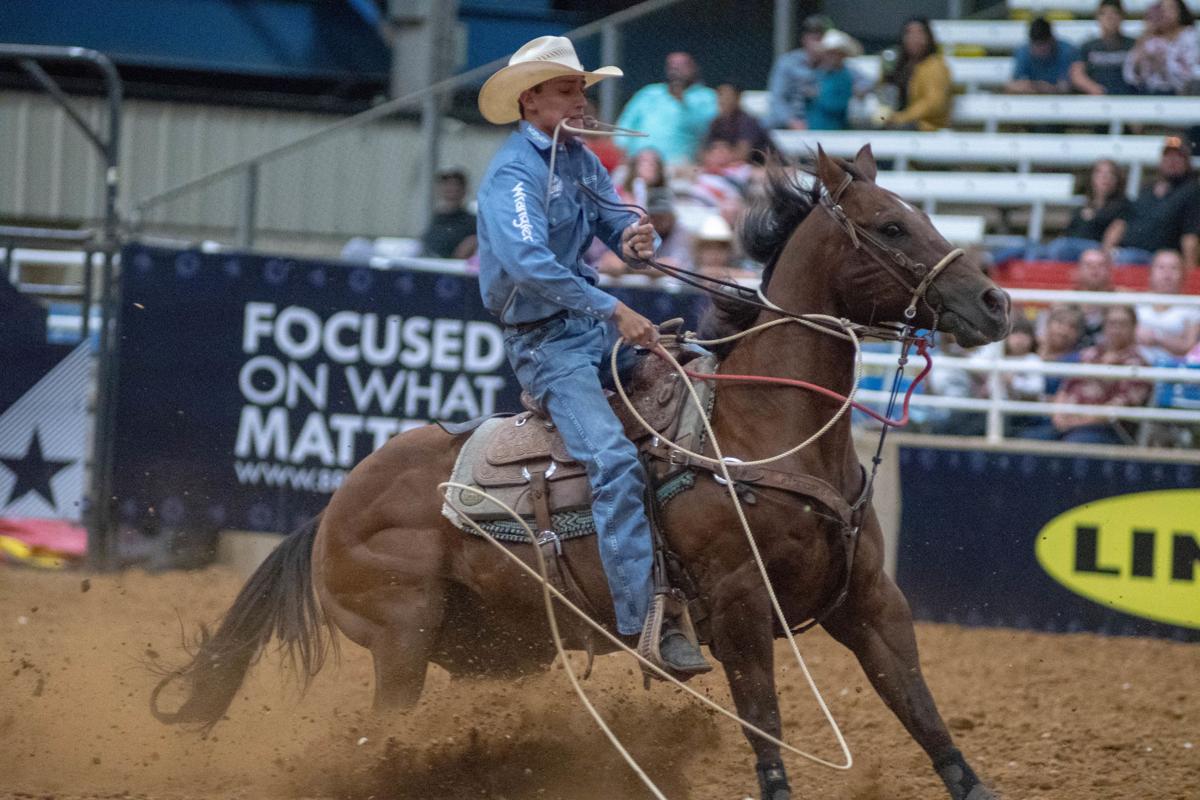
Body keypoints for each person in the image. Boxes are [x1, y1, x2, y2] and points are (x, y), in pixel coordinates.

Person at [473, 35, 709, 673]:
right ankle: (643, 622)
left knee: (703, 389)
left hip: (589, 328)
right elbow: (527, 263)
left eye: (583, 89)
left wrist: (636, 237)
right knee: (612, 461)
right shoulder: (512, 175)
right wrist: (614, 308)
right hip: (548, 345)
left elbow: (615, 221)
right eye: (569, 89)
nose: (582, 100)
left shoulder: (577, 159)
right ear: (531, 101)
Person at [1021, 305, 1152, 445]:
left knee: (1074, 443)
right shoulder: (1089, 355)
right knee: (1029, 439)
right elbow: (1065, 389)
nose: (1116, 329)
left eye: (1122, 324)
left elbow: (1118, 408)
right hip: (1067, 422)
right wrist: (1058, 415)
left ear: (1134, 327)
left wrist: (1078, 422)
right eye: (1112, 323)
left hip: (1106, 429)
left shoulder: (1138, 364)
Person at [1101, 135, 1200, 268]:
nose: (1172, 161)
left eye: (1178, 157)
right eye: (1168, 156)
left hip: (1158, 259)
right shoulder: (1147, 190)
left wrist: (1191, 274)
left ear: (1186, 161)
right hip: (1127, 252)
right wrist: (1105, 251)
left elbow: (1190, 236)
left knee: (1125, 258)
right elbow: (1122, 221)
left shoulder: (1191, 192)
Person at [615, 51, 718, 167]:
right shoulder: (649, 92)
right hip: (638, 162)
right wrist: (622, 149)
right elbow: (625, 123)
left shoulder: (707, 96)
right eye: (672, 66)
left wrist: (683, 103)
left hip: (677, 165)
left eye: (681, 66)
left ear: (694, 68)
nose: (676, 70)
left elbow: (705, 130)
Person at [885, 16, 953, 131]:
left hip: (927, 126)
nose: (914, 38)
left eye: (920, 33)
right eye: (909, 33)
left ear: (929, 38)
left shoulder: (935, 66)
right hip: (901, 122)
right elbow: (887, 93)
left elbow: (934, 103)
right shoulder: (901, 65)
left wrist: (903, 117)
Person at [1135, 249, 1200, 360]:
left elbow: (1189, 346)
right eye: (1161, 267)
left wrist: (1157, 337)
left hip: (1174, 369)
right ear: (1150, 274)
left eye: (1174, 268)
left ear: (1183, 276)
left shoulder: (1192, 307)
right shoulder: (1134, 302)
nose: (1167, 273)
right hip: (1135, 366)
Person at [1123, 0, 1198, 95]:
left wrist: (1164, 65)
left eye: (1170, 8)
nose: (1165, 13)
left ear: (1180, 11)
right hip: (1149, 94)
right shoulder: (1151, 38)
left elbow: (1191, 72)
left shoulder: (1190, 36)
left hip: (1182, 94)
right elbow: (1130, 75)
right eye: (1162, 9)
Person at [1070, 0, 1136, 96]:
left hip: (1129, 99)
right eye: (1104, 14)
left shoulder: (1133, 45)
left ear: (1122, 16)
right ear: (1097, 17)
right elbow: (1077, 74)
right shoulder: (1088, 46)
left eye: (1115, 13)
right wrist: (1093, 88)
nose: (1110, 18)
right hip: (1097, 101)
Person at [703, 83, 774, 165]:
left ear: (737, 98)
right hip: (730, 167)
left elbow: (743, 154)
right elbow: (703, 150)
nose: (723, 100)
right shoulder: (717, 123)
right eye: (720, 96)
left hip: (761, 167)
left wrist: (720, 158)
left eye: (727, 97)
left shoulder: (747, 121)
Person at [1006, 17, 1078, 94]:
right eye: (1037, 45)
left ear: (1052, 40)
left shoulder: (1066, 51)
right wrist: (1035, 86)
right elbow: (1012, 85)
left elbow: (1068, 86)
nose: (1040, 50)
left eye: (1043, 45)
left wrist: (1051, 88)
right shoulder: (1023, 52)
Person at [806, 29, 860, 131]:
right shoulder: (819, 74)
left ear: (842, 55)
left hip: (834, 129)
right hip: (814, 127)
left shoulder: (845, 77)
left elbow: (840, 105)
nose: (831, 57)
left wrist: (817, 96)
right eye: (829, 53)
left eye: (835, 53)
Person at [420, 169, 478, 259]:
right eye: (446, 185)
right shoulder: (436, 218)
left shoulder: (472, 222)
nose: (451, 190)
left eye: (455, 185)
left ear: (464, 190)